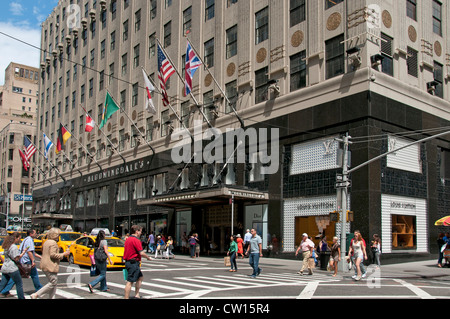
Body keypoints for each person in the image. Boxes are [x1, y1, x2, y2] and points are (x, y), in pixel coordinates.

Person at [31, 228, 70, 299]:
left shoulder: (47, 242)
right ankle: (37, 294)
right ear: (55, 235)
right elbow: (53, 255)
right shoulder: (53, 243)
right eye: (58, 235)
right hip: (50, 265)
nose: (59, 236)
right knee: (53, 282)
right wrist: (64, 254)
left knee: (53, 283)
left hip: (44, 264)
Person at [1, 229, 42, 297]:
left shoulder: (8, 246)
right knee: (21, 281)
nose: (19, 240)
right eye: (19, 238)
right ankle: (38, 289)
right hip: (18, 264)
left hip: (7, 267)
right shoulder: (16, 245)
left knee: (8, 281)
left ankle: (5, 291)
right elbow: (23, 255)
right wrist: (32, 260)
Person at [123, 225, 152, 299]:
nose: (141, 233)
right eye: (140, 231)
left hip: (130, 262)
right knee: (130, 281)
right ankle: (126, 298)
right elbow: (141, 252)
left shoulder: (128, 239)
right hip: (133, 262)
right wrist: (148, 257)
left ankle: (137, 294)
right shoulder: (136, 240)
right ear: (137, 231)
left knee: (140, 277)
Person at [0, 232, 28, 299]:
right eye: (19, 238)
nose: (19, 240)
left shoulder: (6, 246)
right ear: (15, 238)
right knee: (19, 284)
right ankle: (21, 298)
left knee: (2, 284)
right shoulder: (13, 246)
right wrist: (23, 252)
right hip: (12, 268)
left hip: (5, 268)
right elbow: (16, 258)